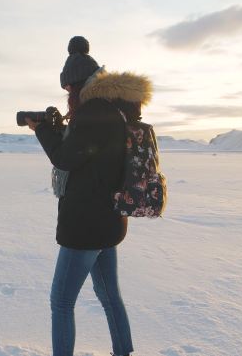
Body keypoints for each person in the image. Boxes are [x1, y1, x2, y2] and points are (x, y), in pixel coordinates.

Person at [25, 36, 152, 356]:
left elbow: (66, 159)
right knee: (110, 297)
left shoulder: (92, 112)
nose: (68, 95)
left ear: (78, 85)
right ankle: (123, 351)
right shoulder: (115, 111)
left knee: (61, 302)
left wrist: (41, 130)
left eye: (69, 89)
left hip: (85, 227)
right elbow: (84, 154)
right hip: (110, 222)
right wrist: (57, 130)